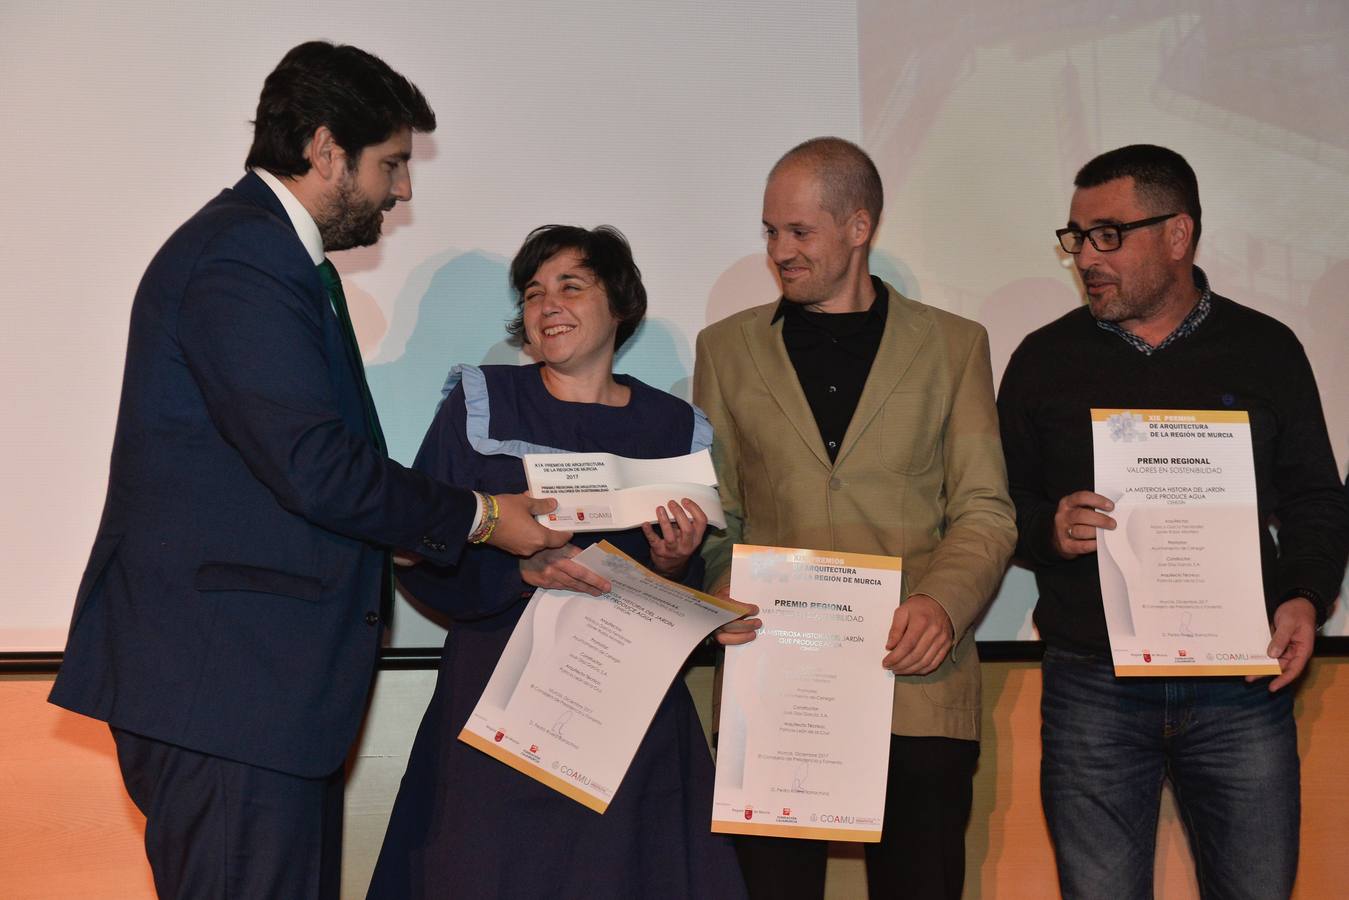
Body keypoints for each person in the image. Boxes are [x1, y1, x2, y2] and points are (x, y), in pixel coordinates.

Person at [47, 41, 566, 899]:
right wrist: (481, 515)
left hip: (253, 701)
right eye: (391, 164)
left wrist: (422, 537)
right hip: (228, 695)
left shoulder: (273, 259)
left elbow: (314, 471)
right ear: (325, 150)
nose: (403, 191)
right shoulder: (243, 258)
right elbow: (315, 466)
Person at [997, 143, 1349, 899]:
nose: (1086, 257)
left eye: (1107, 234)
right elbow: (999, 504)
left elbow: (1317, 499)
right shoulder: (1042, 359)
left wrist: (1303, 597)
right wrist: (1047, 531)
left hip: (1239, 684)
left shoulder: (1266, 350)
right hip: (1091, 680)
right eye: (1076, 237)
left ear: (1178, 234)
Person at [366, 224, 749, 899]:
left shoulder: (670, 426)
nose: (547, 305)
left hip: (629, 711)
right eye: (534, 292)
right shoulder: (483, 403)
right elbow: (419, 550)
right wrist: (514, 572)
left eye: (570, 285)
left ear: (620, 304)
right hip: (498, 703)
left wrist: (675, 561)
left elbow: (679, 592)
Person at [694, 137, 1017, 900]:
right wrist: (719, 591)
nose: (780, 251)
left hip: (916, 682)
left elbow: (985, 508)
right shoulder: (725, 349)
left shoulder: (952, 345)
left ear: (858, 226)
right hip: (773, 684)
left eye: (799, 232)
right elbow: (719, 514)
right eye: (770, 232)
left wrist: (942, 603)